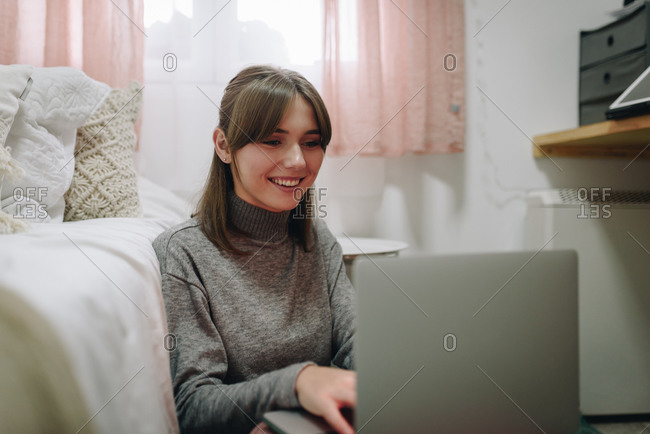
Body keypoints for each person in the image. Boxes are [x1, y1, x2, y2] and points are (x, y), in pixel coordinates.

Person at [153, 65, 356, 434]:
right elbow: (194, 405)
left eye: (311, 142)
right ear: (224, 145)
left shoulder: (318, 239)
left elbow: (355, 344)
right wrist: (296, 385)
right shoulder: (183, 253)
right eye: (273, 141)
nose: (297, 161)